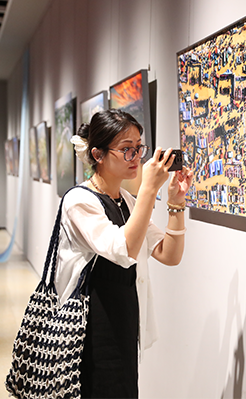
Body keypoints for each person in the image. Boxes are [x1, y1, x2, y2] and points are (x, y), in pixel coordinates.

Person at [58, 109, 193, 399]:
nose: (136, 158)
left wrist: (175, 203)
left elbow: (168, 254)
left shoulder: (128, 202)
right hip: (92, 323)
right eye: (126, 149)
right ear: (98, 154)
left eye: (139, 148)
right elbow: (124, 250)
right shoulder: (79, 201)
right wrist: (149, 189)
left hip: (125, 316)